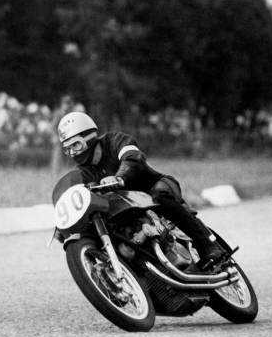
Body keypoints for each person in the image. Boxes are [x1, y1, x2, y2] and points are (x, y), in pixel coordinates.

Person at [57, 111, 226, 269]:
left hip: (154, 188)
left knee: (160, 195)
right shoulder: (84, 172)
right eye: (67, 149)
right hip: (129, 208)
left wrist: (119, 177)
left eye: (76, 145)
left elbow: (133, 157)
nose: (72, 153)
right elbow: (78, 195)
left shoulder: (115, 141)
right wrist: (65, 224)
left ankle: (209, 246)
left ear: (90, 137)